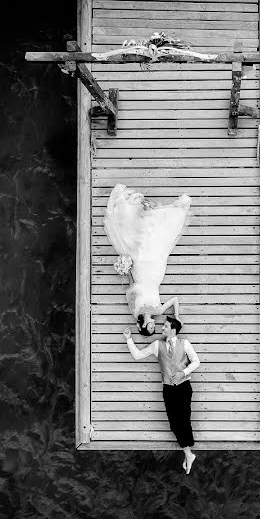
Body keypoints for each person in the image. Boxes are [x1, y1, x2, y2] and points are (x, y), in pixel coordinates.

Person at [104, 183, 191, 325]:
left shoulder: (136, 311)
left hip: (140, 274)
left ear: (143, 326)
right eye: (153, 328)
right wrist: (177, 316)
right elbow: (174, 300)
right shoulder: (158, 311)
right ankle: (148, 214)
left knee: (142, 247)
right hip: (156, 276)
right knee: (157, 246)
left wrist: (127, 269)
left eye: (150, 328)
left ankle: (144, 214)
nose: (153, 326)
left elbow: (131, 288)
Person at [124, 316, 200, 473]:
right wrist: (129, 339)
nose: (162, 328)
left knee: (184, 420)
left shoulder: (184, 343)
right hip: (168, 389)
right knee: (174, 423)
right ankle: (188, 454)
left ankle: (189, 455)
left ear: (172, 330)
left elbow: (196, 361)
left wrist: (183, 373)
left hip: (184, 386)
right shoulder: (157, 345)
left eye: (165, 326)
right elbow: (137, 355)